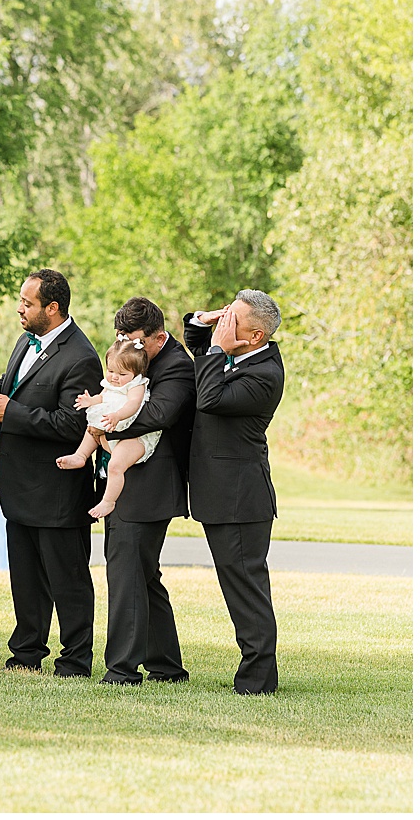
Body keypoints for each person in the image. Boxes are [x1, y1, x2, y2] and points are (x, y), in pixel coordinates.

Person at [0, 269, 103, 678]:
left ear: (53, 308)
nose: (19, 308)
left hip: (57, 489)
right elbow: (17, 384)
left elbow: (71, 424)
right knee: (27, 579)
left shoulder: (80, 356)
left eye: (27, 303)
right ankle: (27, 653)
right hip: (20, 485)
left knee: (67, 580)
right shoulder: (25, 339)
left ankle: (75, 660)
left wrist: (9, 412)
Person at [185, 290, 286, 695]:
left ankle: (258, 680)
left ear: (256, 336)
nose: (225, 325)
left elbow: (209, 399)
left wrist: (214, 347)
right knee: (238, 586)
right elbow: (197, 344)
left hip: (241, 500)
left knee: (246, 588)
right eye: (226, 315)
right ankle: (256, 674)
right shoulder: (239, 355)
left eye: (234, 320)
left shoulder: (264, 375)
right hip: (222, 496)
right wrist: (207, 321)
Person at [94, 296, 194, 686]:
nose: (127, 346)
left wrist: (106, 426)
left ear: (159, 337)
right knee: (144, 577)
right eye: (121, 337)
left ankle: (121, 671)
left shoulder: (177, 367)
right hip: (130, 477)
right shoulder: (135, 361)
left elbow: (159, 415)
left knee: (126, 577)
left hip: (149, 485)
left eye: (135, 340)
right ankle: (167, 667)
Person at [57, 337, 162, 519]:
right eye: (111, 370)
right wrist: (90, 401)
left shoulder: (136, 385)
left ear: (137, 373)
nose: (114, 377)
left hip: (134, 437)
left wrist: (118, 415)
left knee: (115, 465)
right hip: (111, 427)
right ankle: (80, 455)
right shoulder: (111, 384)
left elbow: (133, 405)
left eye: (122, 374)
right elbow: (102, 397)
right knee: (91, 428)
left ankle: (108, 501)